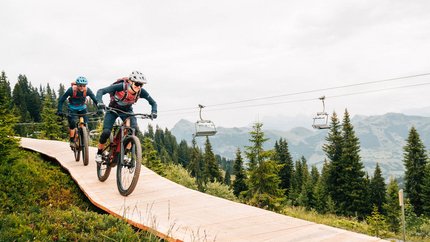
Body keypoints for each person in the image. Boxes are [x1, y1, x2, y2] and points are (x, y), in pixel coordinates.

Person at [95, 70, 157, 163]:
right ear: (130, 82)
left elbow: (153, 103)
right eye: (137, 84)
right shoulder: (121, 87)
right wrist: (100, 102)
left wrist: (154, 112)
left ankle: (124, 154)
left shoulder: (141, 91)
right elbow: (101, 91)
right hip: (113, 109)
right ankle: (99, 153)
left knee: (133, 130)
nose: (139, 87)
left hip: (127, 111)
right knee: (106, 132)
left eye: (141, 85)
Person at [57, 76, 98, 148]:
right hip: (72, 108)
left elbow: (95, 100)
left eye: (84, 85)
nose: (82, 87)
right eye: (80, 85)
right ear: (77, 85)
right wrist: (59, 110)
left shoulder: (87, 90)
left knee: (85, 122)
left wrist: (99, 108)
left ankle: (84, 135)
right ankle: (72, 140)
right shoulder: (71, 90)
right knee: (72, 123)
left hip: (82, 107)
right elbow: (61, 100)